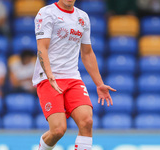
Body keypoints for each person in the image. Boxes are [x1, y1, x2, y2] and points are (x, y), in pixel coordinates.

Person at [32, 0, 116, 149]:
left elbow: (87, 53)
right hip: (49, 78)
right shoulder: (46, 13)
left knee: (87, 121)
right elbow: (41, 48)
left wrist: (99, 83)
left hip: (73, 78)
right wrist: (50, 74)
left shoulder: (82, 17)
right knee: (58, 130)